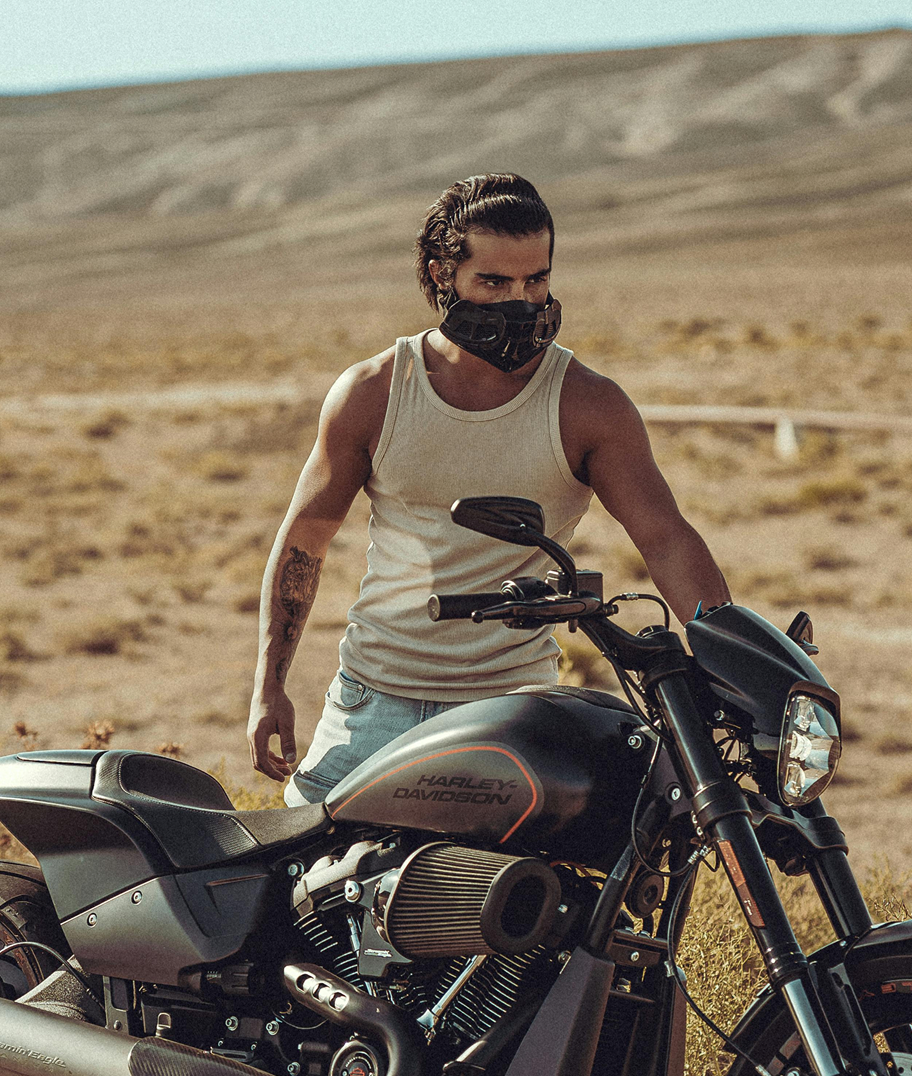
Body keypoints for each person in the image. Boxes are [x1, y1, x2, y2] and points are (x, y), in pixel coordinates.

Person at [247, 173, 731, 805]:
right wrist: (269, 682)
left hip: (514, 708)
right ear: (441, 274)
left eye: (538, 280)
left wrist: (732, 660)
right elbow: (305, 541)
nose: (522, 302)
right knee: (307, 884)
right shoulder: (374, 393)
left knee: (529, 893)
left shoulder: (587, 405)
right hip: (374, 700)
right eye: (495, 282)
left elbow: (666, 540)